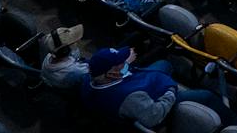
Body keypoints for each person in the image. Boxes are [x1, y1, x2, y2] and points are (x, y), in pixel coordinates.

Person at [80, 46, 224, 125]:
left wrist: (125, 64)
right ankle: (232, 122)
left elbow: (111, 73)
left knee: (164, 63)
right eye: (122, 63)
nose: (126, 62)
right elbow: (153, 117)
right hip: (155, 99)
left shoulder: (90, 78)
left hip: (138, 86)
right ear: (112, 73)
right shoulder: (129, 98)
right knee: (206, 96)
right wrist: (170, 91)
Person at [39, 23, 91, 91]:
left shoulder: (48, 56)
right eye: (73, 42)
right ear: (65, 51)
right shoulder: (77, 71)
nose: (76, 42)